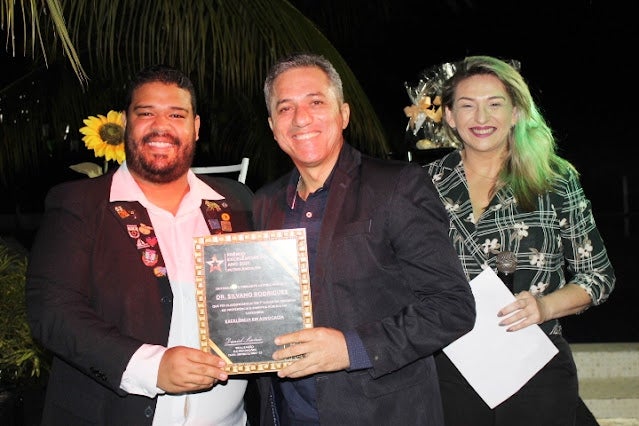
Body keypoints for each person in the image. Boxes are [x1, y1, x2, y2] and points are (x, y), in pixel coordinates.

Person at [252, 52, 476, 425]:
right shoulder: (264, 202)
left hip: (381, 414)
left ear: (343, 114)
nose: (301, 118)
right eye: (285, 108)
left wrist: (350, 349)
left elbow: (452, 307)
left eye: (315, 102)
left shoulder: (397, 186)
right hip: (289, 414)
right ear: (273, 126)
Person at [26, 64, 254, 425]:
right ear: (125, 122)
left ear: (196, 127)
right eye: (146, 113)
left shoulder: (237, 202)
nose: (161, 126)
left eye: (176, 115)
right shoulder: (81, 204)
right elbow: (52, 312)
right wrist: (151, 367)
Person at [423, 55, 615, 426]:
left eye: (494, 104)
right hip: (450, 366)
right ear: (449, 116)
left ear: (515, 113)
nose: (481, 118)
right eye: (467, 105)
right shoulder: (422, 184)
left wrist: (544, 307)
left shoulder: (553, 180)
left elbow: (598, 276)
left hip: (534, 362)